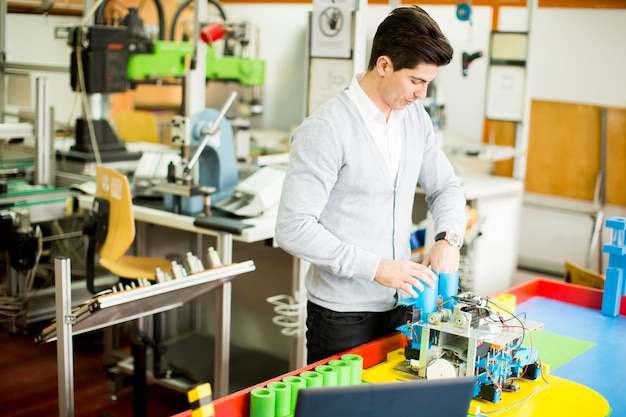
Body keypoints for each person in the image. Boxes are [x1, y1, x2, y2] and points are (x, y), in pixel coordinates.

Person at [275, 5, 467, 364]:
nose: (422, 94)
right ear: (383, 65)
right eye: (416, 81)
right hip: (342, 318)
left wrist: (449, 238)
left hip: (403, 309)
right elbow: (292, 228)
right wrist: (376, 268)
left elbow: (447, 188)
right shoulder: (327, 129)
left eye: (428, 83)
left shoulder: (415, 120)